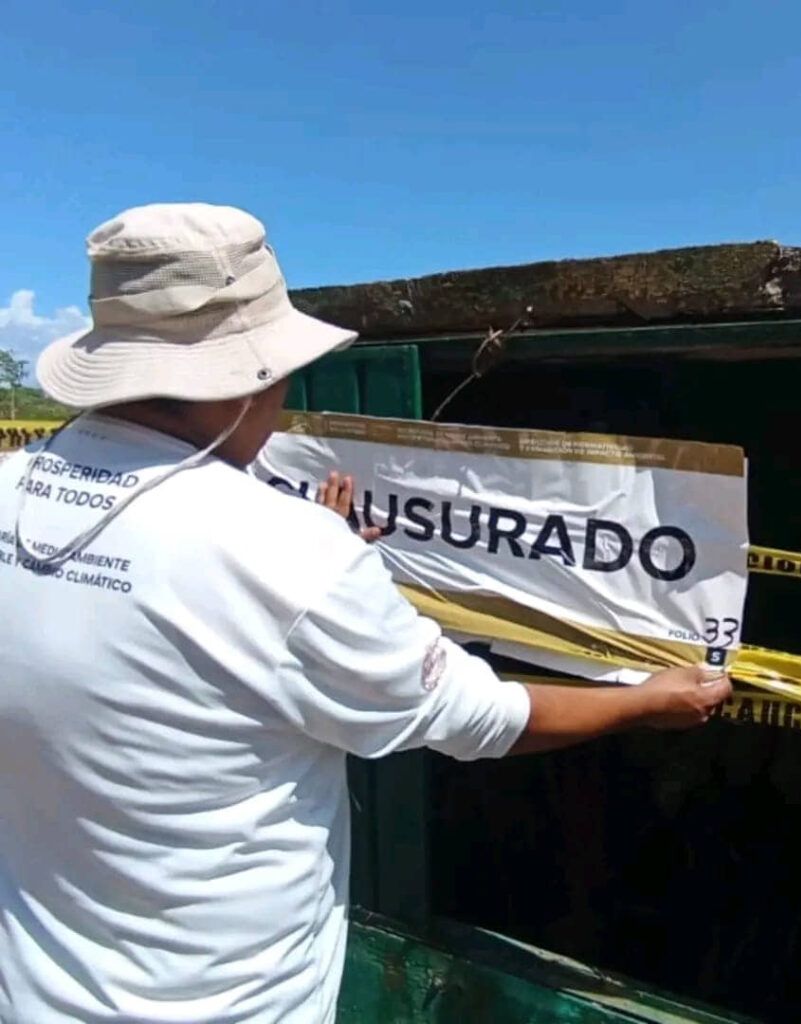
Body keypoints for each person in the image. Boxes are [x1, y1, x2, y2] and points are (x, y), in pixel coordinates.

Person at [0, 203, 732, 1024]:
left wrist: (321, 572)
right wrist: (650, 699)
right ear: (249, 378)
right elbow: (479, 717)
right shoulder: (287, 556)